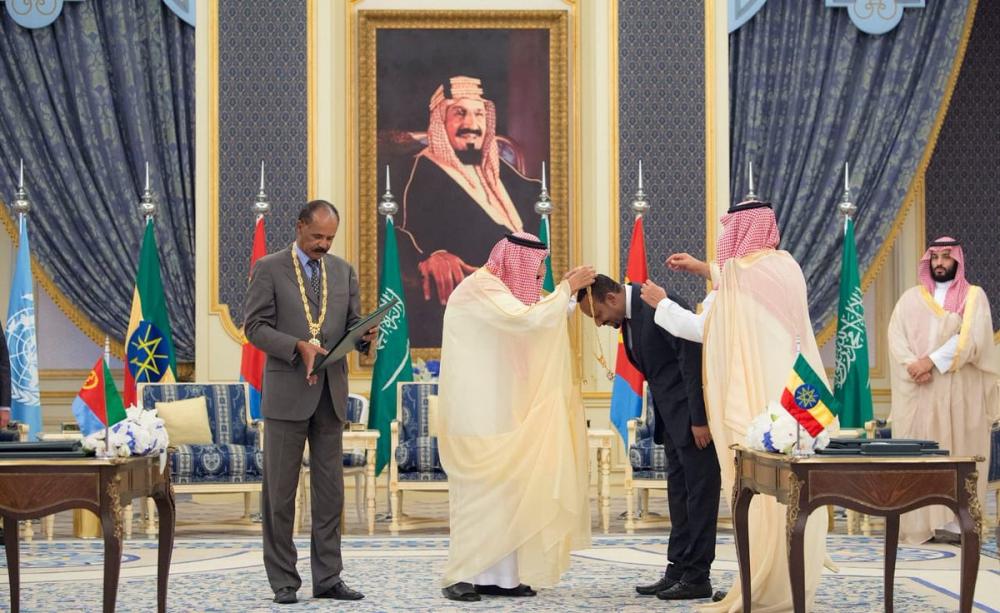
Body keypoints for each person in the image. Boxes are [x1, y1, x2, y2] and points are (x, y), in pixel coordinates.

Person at [644, 198, 829, 612]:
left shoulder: (740, 275)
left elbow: (702, 328)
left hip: (757, 404)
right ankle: (793, 580)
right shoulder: (786, 267)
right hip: (795, 400)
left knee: (762, 493)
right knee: (797, 491)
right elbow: (745, 285)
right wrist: (704, 268)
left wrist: (662, 305)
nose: (726, 240)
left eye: (730, 232)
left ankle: (765, 584)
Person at [436, 232, 595, 602]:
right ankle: (460, 574)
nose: (538, 281)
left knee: (508, 495)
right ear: (515, 264)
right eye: (536, 272)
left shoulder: (499, 292)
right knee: (477, 496)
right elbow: (527, 320)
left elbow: (534, 314)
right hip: (475, 414)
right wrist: (566, 289)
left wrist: (565, 296)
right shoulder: (481, 290)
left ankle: (501, 578)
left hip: (501, 409)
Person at [244, 200, 375, 605]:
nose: (323, 245)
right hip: (287, 394)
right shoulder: (269, 268)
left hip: (330, 395)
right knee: (280, 494)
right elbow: (254, 327)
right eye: (317, 236)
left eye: (330, 238)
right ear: (300, 227)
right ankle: (284, 580)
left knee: (330, 493)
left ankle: (329, 577)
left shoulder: (343, 271)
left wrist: (365, 337)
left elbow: (351, 323)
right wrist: (295, 346)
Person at [578, 274, 721, 601]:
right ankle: (678, 569)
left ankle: (698, 576)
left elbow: (692, 361)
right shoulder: (628, 318)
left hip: (693, 421)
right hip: (671, 422)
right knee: (679, 496)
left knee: (700, 496)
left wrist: (700, 419)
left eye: (598, 315)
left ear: (611, 299)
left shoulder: (659, 303)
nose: (600, 324)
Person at [398, 75, 541, 348]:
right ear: (441, 121)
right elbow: (392, 232)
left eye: (478, 114)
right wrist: (430, 255)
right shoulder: (419, 172)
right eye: (459, 113)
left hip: (518, 308)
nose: (471, 125)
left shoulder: (504, 174)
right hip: (464, 312)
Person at [888, 237, 1000, 544]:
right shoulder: (911, 298)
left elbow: (972, 339)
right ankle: (920, 523)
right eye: (934, 257)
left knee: (959, 453)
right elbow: (896, 336)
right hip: (921, 393)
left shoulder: (974, 297)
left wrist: (931, 362)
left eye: (945, 257)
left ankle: (956, 525)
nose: (939, 262)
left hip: (962, 394)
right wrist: (913, 365)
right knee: (924, 456)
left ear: (957, 261)